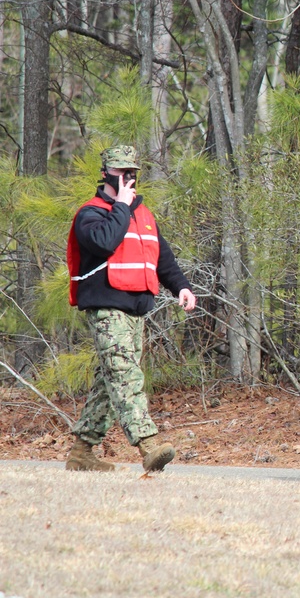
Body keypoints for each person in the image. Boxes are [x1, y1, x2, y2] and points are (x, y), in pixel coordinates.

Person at [65, 145, 197, 473]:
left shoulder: (144, 215)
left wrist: (181, 286)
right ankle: (148, 445)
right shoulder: (91, 213)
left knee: (109, 380)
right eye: (121, 171)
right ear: (107, 173)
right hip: (106, 308)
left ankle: (81, 453)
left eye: (132, 172)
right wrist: (121, 207)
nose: (128, 177)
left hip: (136, 309)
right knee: (125, 374)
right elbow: (104, 242)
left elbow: (161, 257)